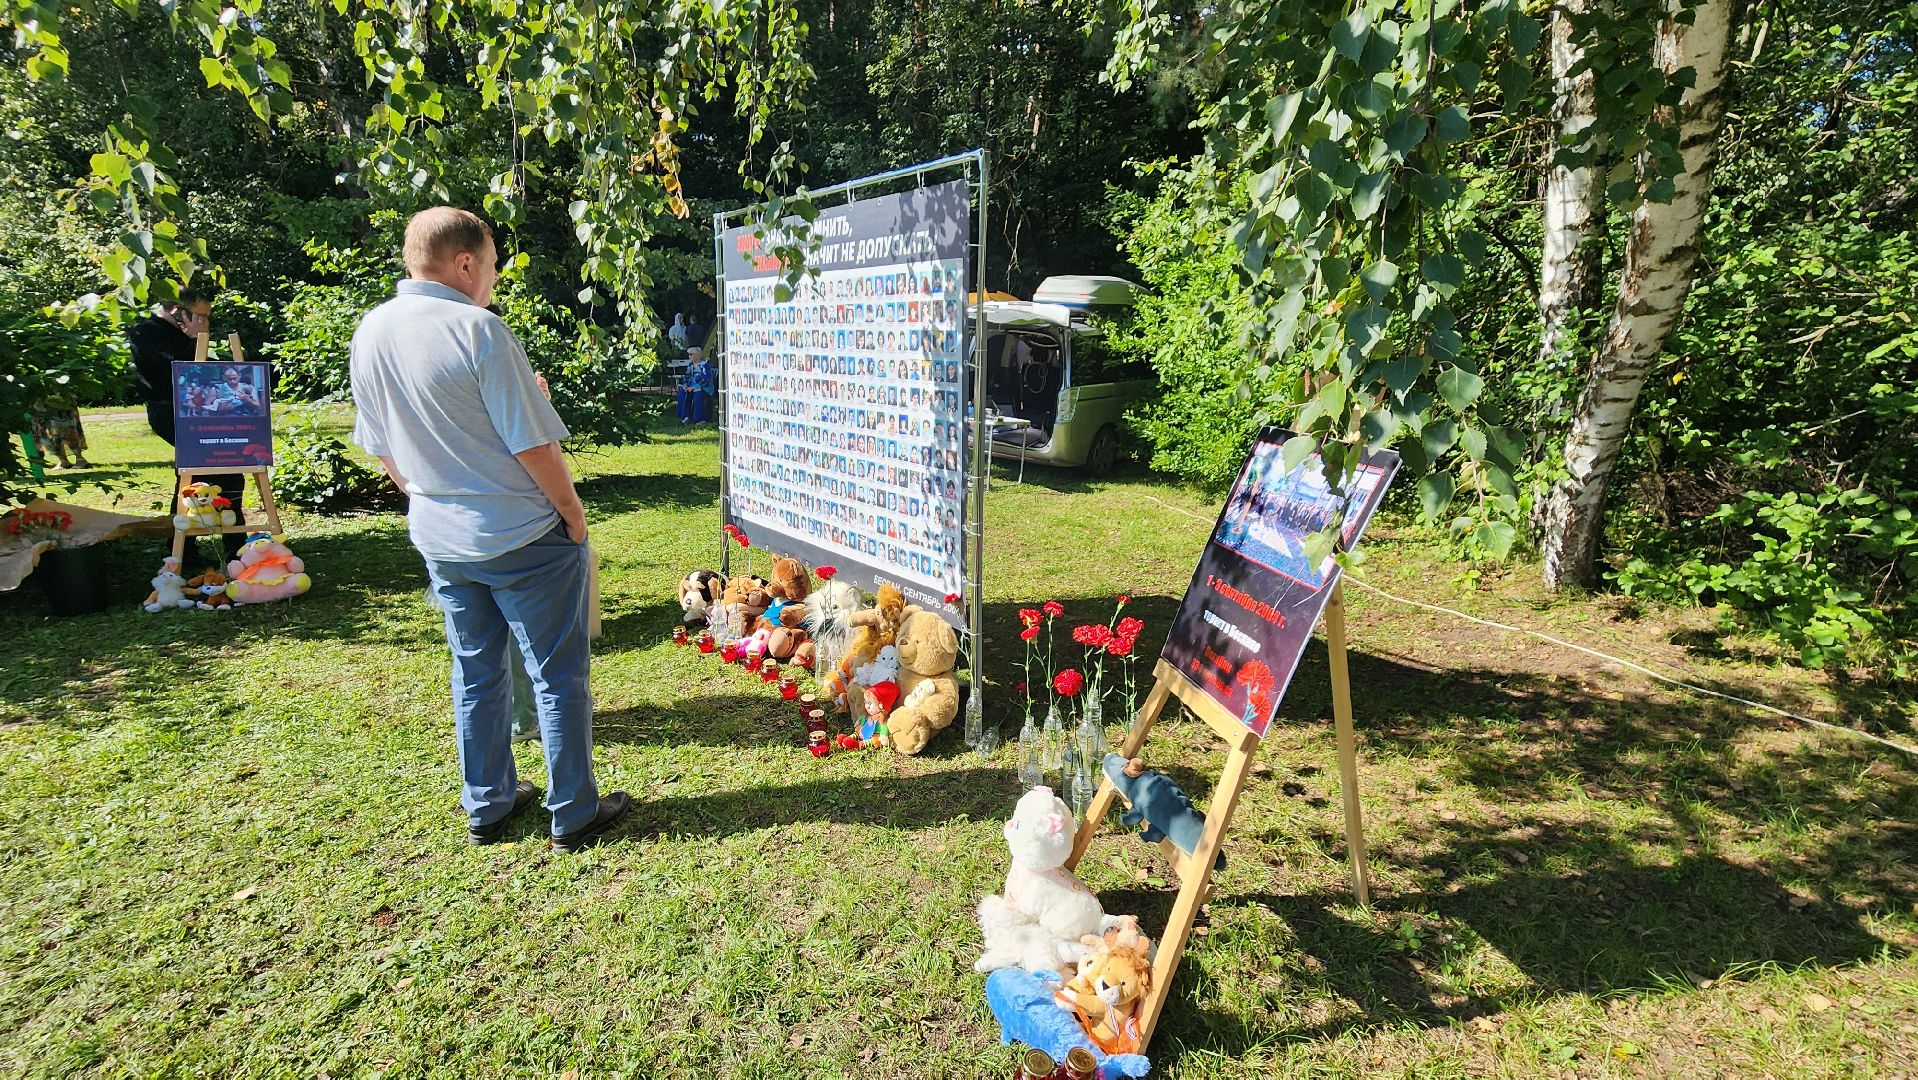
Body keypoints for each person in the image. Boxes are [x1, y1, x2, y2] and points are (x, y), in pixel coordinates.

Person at [349, 206, 630, 852]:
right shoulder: (477, 330)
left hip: (441, 537)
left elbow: (386, 454)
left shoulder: (371, 332)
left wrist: (433, 490)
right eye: (495, 265)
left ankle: (488, 804)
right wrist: (574, 516)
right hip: (523, 536)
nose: (495, 279)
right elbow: (535, 446)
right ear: (465, 262)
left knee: (474, 673)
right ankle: (574, 812)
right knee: (558, 677)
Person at [127, 289, 245, 565]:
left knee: (219, 470)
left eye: (207, 317)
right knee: (199, 473)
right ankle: (192, 549)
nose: (204, 323)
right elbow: (186, 372)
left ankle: (211, 547)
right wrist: (195, 339)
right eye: (200, 316)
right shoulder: (147, 332)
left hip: (201, 414)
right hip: (171, 413)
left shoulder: (181, 333)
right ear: (176, 311)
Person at [29, 395, 91, 469]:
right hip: (39, 401)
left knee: (66, 428)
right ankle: (63, 461)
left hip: (58, 398)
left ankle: (80, 459)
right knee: (45, 430)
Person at [677, 347, 715, 423]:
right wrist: (685, 386)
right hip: (691, 388)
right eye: (689, 354)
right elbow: (686, 378)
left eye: (691, 354)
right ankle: (685, 416)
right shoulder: (690, 365)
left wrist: (694, 387)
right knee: (682, 392)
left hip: (704, 388)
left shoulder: (704, 365)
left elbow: (706, 380)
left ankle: (700, 419)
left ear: (697, 355)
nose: (689, 356)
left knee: (698, 395)